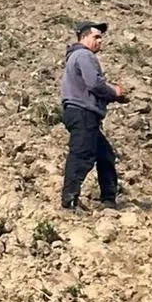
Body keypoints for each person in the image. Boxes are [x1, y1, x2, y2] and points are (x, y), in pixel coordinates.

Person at [58, 20, 128, 210]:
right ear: (84, 37)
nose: (100, 41)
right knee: (81, 155)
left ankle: (109, 199)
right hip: (83, 113)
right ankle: (69, 200)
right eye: (96, 37)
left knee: (104, 155)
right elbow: (95, 84)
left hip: (80, 112)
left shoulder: (75, 57)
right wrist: (115, 92)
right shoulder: (84, 55)